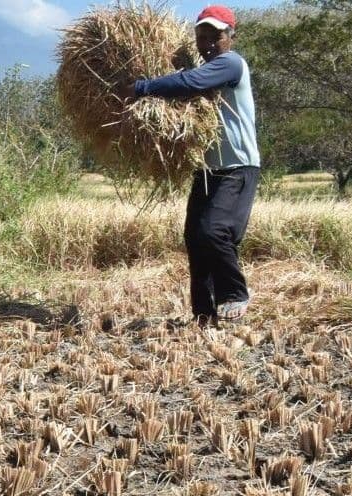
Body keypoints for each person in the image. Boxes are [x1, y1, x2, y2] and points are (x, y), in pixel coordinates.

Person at [128, 6, 260, 325]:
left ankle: (234, 293)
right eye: (201, 36)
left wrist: (141, 87)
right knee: (195, 237)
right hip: (209, 170)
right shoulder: (211, 69)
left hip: (237, 166)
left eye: (215, 35)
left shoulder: (229, 63)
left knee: (213, 231)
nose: (208, 43)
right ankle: (203, 314)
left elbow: (189, 81)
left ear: (230, 36)